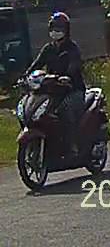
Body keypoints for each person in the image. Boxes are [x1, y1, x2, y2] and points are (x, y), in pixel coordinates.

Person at [26, 12, 85, 154]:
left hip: (73, 89)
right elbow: (37, 64)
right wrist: (26, 75)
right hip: (53, 90)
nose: (55, 32)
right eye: (53, 28)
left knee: (65, 110)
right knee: (34, 109)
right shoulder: (48, 48)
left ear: (66, 30)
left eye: (59, 28)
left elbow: (75, 65)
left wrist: (67, 76)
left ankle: (72, 144)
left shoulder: (72, 48)